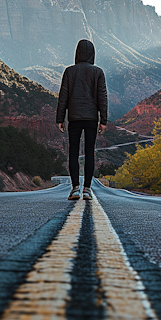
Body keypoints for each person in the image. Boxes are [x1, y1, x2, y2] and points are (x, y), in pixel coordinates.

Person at [56, 39, 108, 201]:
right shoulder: (98, 72)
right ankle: (87, 189)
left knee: (73, 153)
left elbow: (63, 96)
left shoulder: (69, 72)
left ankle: (75, 189)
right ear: (92, 54)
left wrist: (60, 118)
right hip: (91, 118)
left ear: (77, 53)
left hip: (74, 118)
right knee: (89, 154)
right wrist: (103, 120)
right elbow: (102, 97)